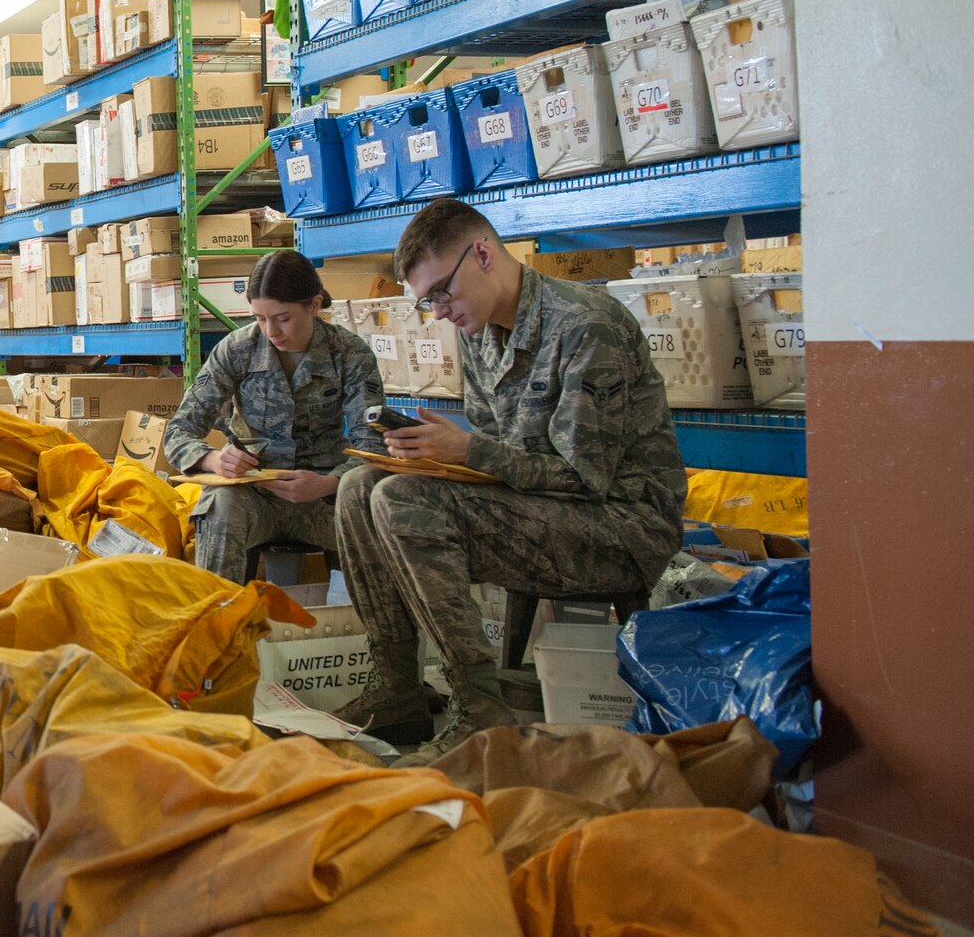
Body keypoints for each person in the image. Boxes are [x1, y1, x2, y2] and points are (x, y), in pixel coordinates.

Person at [332, 199, 686, 762]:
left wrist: (469, 450)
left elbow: (584, 478)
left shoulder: (586, 326)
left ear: (483, 254)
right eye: (427, 303)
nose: (440, 312)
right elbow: (505, 459)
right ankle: (399, 688)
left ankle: (478, 709)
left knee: (404, 500)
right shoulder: (480, 329)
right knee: (359, 487)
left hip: (620, 527)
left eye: (441, 294)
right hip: (540, 508)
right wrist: (434, 457)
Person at [163, 250, 386, 584]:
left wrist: (330, 482)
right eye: (260, 318)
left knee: (377, 508)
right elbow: (178, 430)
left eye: (282, 318)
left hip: (325, 497)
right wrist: (212, 460)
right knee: (219, 506)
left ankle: (376, 633)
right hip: (254, 496)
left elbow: (373, 446)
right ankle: (217, 625)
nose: (271, 330)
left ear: (314, 304)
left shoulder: (350, 353)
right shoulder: (237, 350)